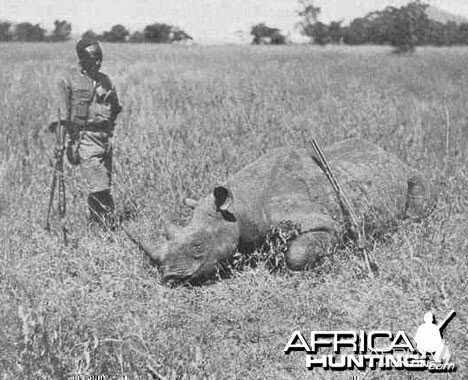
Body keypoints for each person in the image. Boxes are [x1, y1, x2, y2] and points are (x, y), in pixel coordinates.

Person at [52, 38, 122, 230]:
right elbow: (61, 117)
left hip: (105, 140)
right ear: (81, 59)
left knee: (105, 183)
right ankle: (107, 227)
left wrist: (110, 129)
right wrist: (61, 144)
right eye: (93, 58)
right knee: (99, 185)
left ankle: (100, 226)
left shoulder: (105, 80)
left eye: (100, 57)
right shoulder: (68, 80)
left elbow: (115, 107)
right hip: (85, 139)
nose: (98, 62)